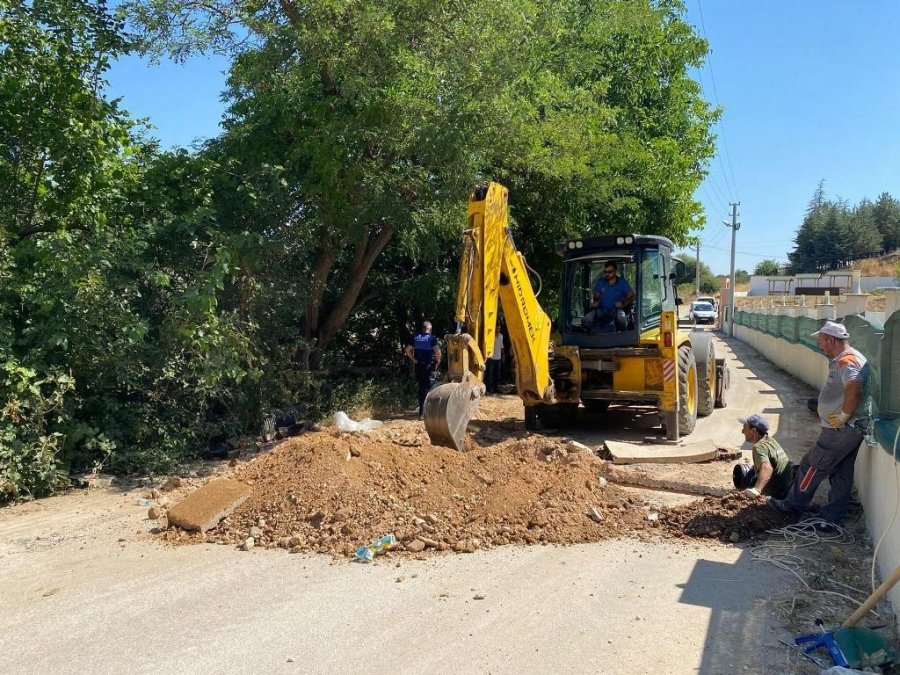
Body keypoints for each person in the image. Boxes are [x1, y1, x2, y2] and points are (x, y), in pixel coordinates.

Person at [770, 321, 870, 526]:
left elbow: (854, 389)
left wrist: (843, 415)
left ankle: (793, 505)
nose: (820, 345)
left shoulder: (848, 361)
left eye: (822, 341)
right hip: (851, 428)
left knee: (812, 465)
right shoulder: (847, 358)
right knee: (841, 471)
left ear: (831, 340)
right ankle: (833, 517)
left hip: (841, 429)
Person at [732, 413, 794, 499]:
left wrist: (757, 489)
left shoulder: (758, 447)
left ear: (753, 431)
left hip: (779, 496)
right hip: (789, 488)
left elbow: (767, 468)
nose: (742, 431)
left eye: (745, 428)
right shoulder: (770, 440)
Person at [405, 321, 442, 418]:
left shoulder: (415, 338)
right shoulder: (432, 338)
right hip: (429, 366)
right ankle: (432, 410)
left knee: (421, 388)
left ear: (423, 328)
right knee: (431, 386)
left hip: (419, 366)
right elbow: (437, 352)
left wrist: (414, 360)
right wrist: (438, 361)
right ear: (430, 329)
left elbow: (407, 350)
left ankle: (421, 412)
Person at [587, 261, 634, 332]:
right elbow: (596, 296)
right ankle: (594, 336)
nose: (607, 274)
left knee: (621, 317)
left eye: (610, 272)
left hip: (616, 310)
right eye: (605, 272)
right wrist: (595, 301)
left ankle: (622, 336)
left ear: (615, 271)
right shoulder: (601, 282)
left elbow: (631, 295)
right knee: (586, 319)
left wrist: (623, 302)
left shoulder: (622, 282)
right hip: (602, 310)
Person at [485, 329, 503, 395]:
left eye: (499, 327)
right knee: (489, 374)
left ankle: (496, 388)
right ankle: (489, 389)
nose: (498, 329)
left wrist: (502, 356)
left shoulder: (501, 336)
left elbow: (501, 346)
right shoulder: (491, 336)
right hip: (491, 357)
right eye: (497, 327)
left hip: (498, 357)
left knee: (497, 374)